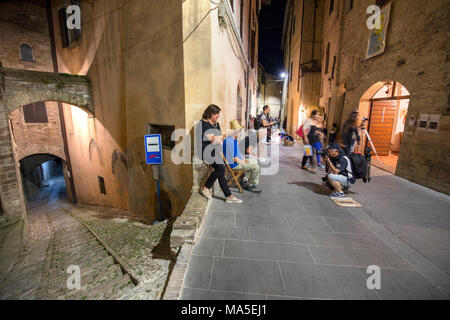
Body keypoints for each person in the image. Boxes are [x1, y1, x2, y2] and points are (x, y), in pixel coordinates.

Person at [199, 105, 243, 204]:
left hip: (215, 151)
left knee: (221, 170)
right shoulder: (203, 124)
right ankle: (205, 187)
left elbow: (219, 141)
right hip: (206, 152)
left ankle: (228, 196)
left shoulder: (216, 124)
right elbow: (215, 140)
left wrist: (221, 137)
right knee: (221, 168)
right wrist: (225, 134)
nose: (218, 116)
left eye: (219, 114)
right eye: (216, 114)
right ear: (210, 113)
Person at [224, 120, 262, 193]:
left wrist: (244, 159)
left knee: (254, 161)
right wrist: (243, 162)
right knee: (256, 167)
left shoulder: (234, 140)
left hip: (238, 161)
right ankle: (252, 185)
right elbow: (233, 159)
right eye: (239, 131)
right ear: (234, 132)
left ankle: (245, 180)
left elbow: (239, 153)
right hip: (234, 165)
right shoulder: (230, 141)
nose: (241, 133)